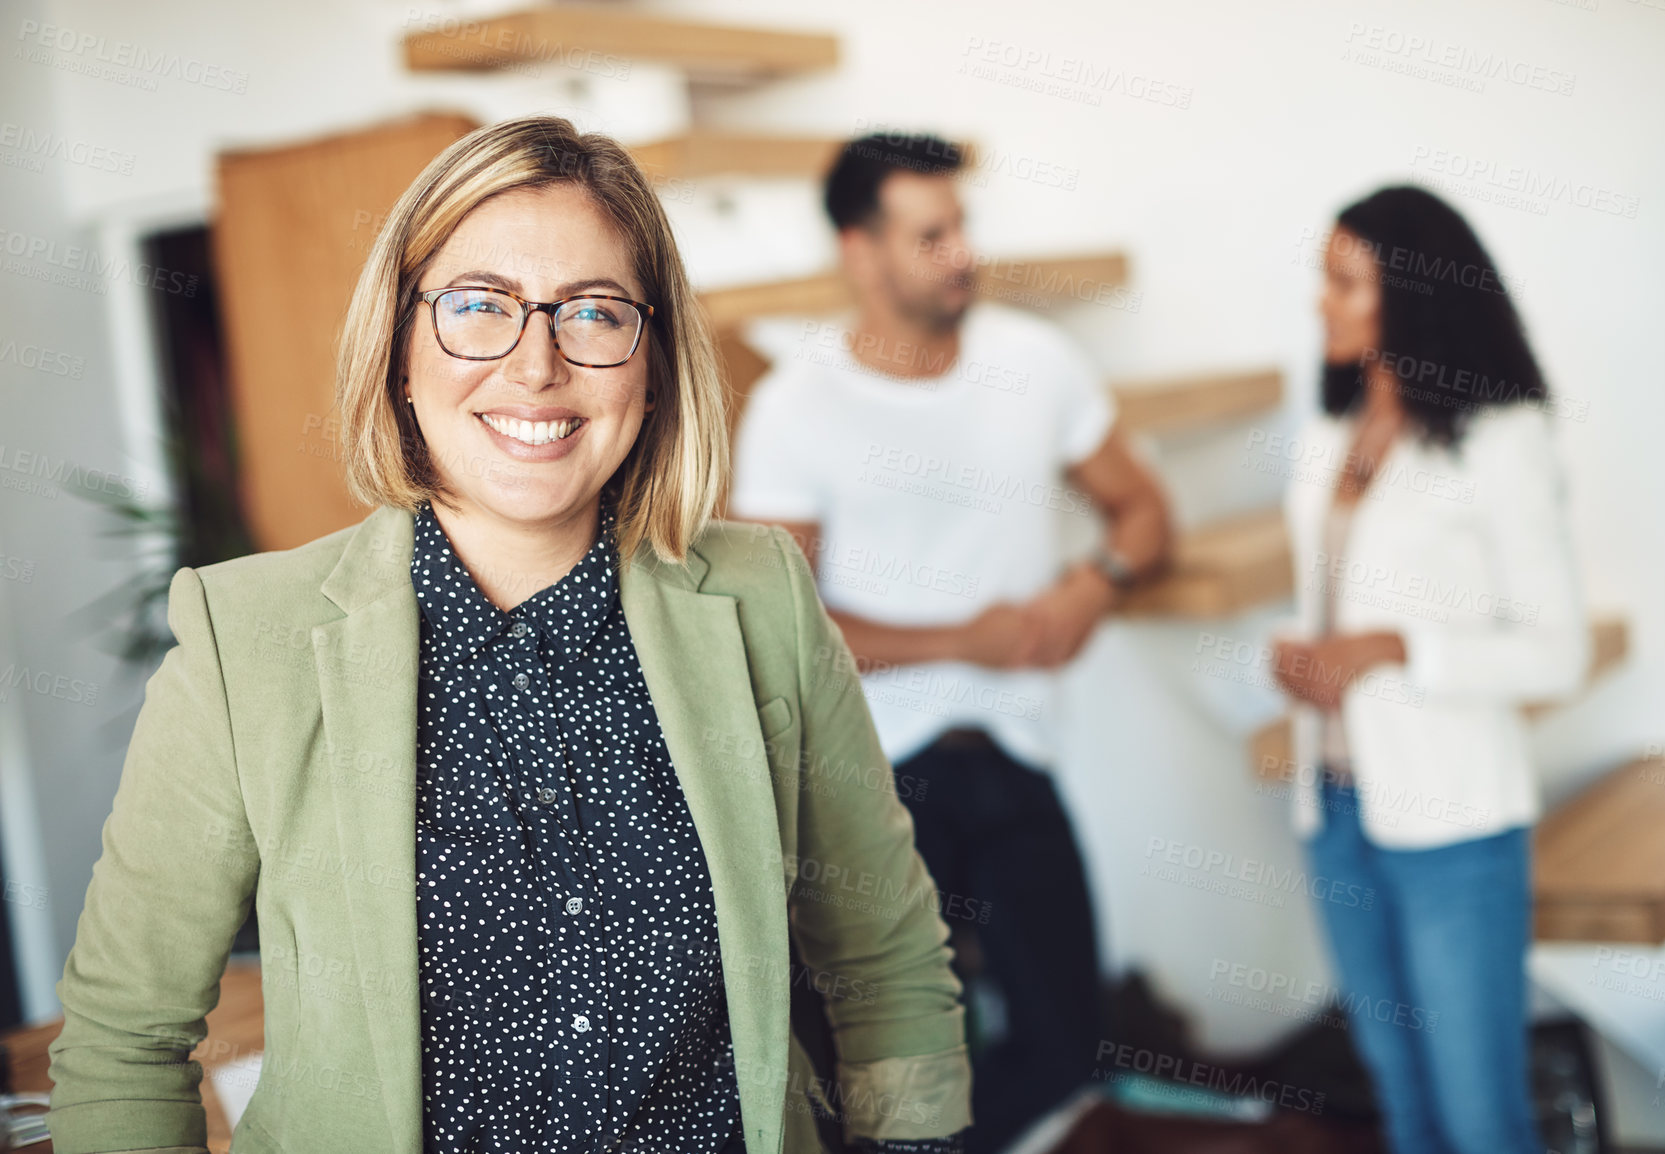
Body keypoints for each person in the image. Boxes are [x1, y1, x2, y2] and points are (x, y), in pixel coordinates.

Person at [46, 116, 971, 1154]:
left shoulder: (764, 598)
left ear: (651, 360)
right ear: (399, 350)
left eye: (592, 311)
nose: (537, 365)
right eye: (478, 306)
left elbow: (885, 959)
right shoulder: (245, 641)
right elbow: (124, 1040)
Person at [728, 132, 1172, 1153]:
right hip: (873, 785)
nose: (960, 251)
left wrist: (1091, 585)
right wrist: (956, 637)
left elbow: (1144, 508)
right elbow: (782, 625)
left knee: (1067, 1046)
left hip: (1015, 754)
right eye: (930, 234)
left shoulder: (1034, 361)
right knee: (882, 1077)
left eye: (961, 226)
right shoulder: (799, 407)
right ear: (859, 250)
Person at [1271, 185, 1589, 1154]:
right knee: (1403, 1108)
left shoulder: (1500, 437)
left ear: (1409, 295)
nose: (1319, 301)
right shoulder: (1330, 433)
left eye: (1343, 282)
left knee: (1477, 1118)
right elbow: (1335, 590)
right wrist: (1307, 656)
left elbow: (1556, 648)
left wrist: (1395, 649)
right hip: (1333, 805)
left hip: (1452, 825)